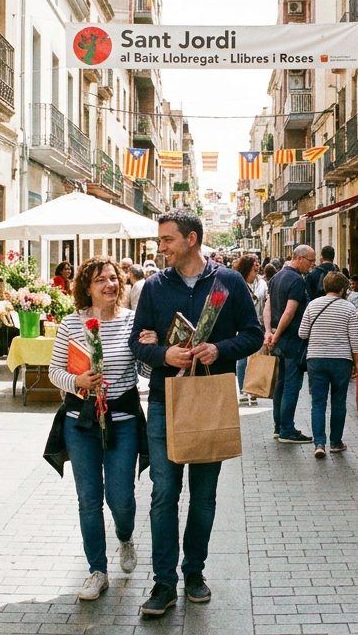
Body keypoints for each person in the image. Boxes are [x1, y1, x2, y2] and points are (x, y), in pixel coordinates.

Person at [128, 210, 263, 617]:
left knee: (203, 496)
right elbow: (138, 342)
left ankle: (195, 573)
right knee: (164, 494)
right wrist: (162, 353)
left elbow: (254, 334)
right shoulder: (154, 286)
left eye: (167, 240)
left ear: (191, 239)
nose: (161, 247)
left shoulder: (229, 282)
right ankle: (163, 583)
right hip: (165, 400)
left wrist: (220, 349)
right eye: (160, 240)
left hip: (209, 398)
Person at [49, 256, 145, 602]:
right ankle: (97, 570)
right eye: (100, 280)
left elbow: (146, 372)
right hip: (82, 422)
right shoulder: (72, 324)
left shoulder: (133, 321)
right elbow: (54, 371)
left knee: (120, 498)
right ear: (86, 288)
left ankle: (125, 536)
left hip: (122, 420)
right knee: (88, 500)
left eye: (114, 278)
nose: (110, 285)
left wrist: (149, 348)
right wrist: (77, 380)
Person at [297, 271, 358, 458]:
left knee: (318, 402)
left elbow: (302, 333)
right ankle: (336, 442)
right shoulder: (348, 308)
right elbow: (355, 339)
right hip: (341, 360)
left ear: (325, 287)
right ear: (342, 289)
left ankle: (319, 443)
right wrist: (357, 363)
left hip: (316, 359)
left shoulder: (312, 305)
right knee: (339, 402)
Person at [265, 245, 315, 444]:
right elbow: (290, 311)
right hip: (292, 340)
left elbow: (268, 306)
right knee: (291, 385)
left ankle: (279, 427)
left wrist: (269, 331)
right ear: (300, 258)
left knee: (281, 384)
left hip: (279, 337)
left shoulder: (276, 277)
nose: (312, 266)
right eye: (310, 261)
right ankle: (287, 429)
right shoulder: (296, 280)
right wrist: (275, 335)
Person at [233, 254, 268, 405]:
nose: (257, 266)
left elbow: (266, 303)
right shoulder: (238, 282)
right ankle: (242, 390)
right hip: (241, 325)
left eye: (258, 263)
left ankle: (253, 390)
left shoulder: (262, 284)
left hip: (258, 324)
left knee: (256, 359)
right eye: (254, 264)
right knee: (242, 359)